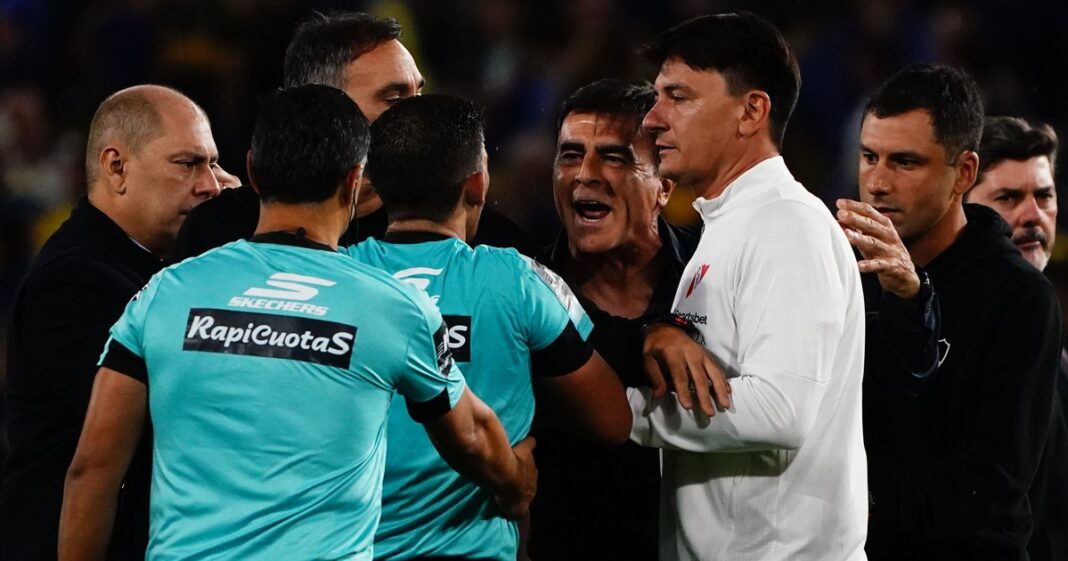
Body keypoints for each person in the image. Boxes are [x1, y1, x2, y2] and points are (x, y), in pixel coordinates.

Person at [58, 84, 536, 561]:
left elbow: (93, 472)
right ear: (355, 181)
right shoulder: (393, 306)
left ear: (252, 173)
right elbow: (472, 438)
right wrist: (516, 483)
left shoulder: (164, 293)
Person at [345, 93, 630, 561]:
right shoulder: (517, 280)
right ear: (477, 185)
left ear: (373, 181)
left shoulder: (338, 279)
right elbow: (613, 421)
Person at [630, 12, 868, 560]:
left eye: (678, 97)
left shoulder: (786, 223)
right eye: (656, 97)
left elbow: (782, 409)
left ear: (751, 111)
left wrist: (630, 413)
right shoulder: (728, 226)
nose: (652, 119)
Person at [1, 85, 222, 560]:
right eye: (189, 164)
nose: (212, 185)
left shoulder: (158, 268)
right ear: (116, 167)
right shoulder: (71, 282)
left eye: (214, 164)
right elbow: (169, 417)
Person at [850, 65, 1061, 561]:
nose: (877, 182)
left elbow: (997, 478)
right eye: (868, 157)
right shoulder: (846, 271)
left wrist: (866, 502)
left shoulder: (1018, 296)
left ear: (964, 173)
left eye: (904, 162)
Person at [175, 11, 537, 261]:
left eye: (418, 96)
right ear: (321, 106)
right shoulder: (222, 231)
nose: (417, 113)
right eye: (395, 99)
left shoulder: (473, 233)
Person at [527, 78, 699, 561]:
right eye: (569, 155)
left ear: (664, 185)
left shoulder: (718, 275)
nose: (585, 174)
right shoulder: (522, 292)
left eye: (614, 157)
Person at [965, 116, 1067, 561]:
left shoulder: (1057, 357)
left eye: (1044, 196)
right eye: (1008, 198)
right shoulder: (933, 339)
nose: (1032, 215)